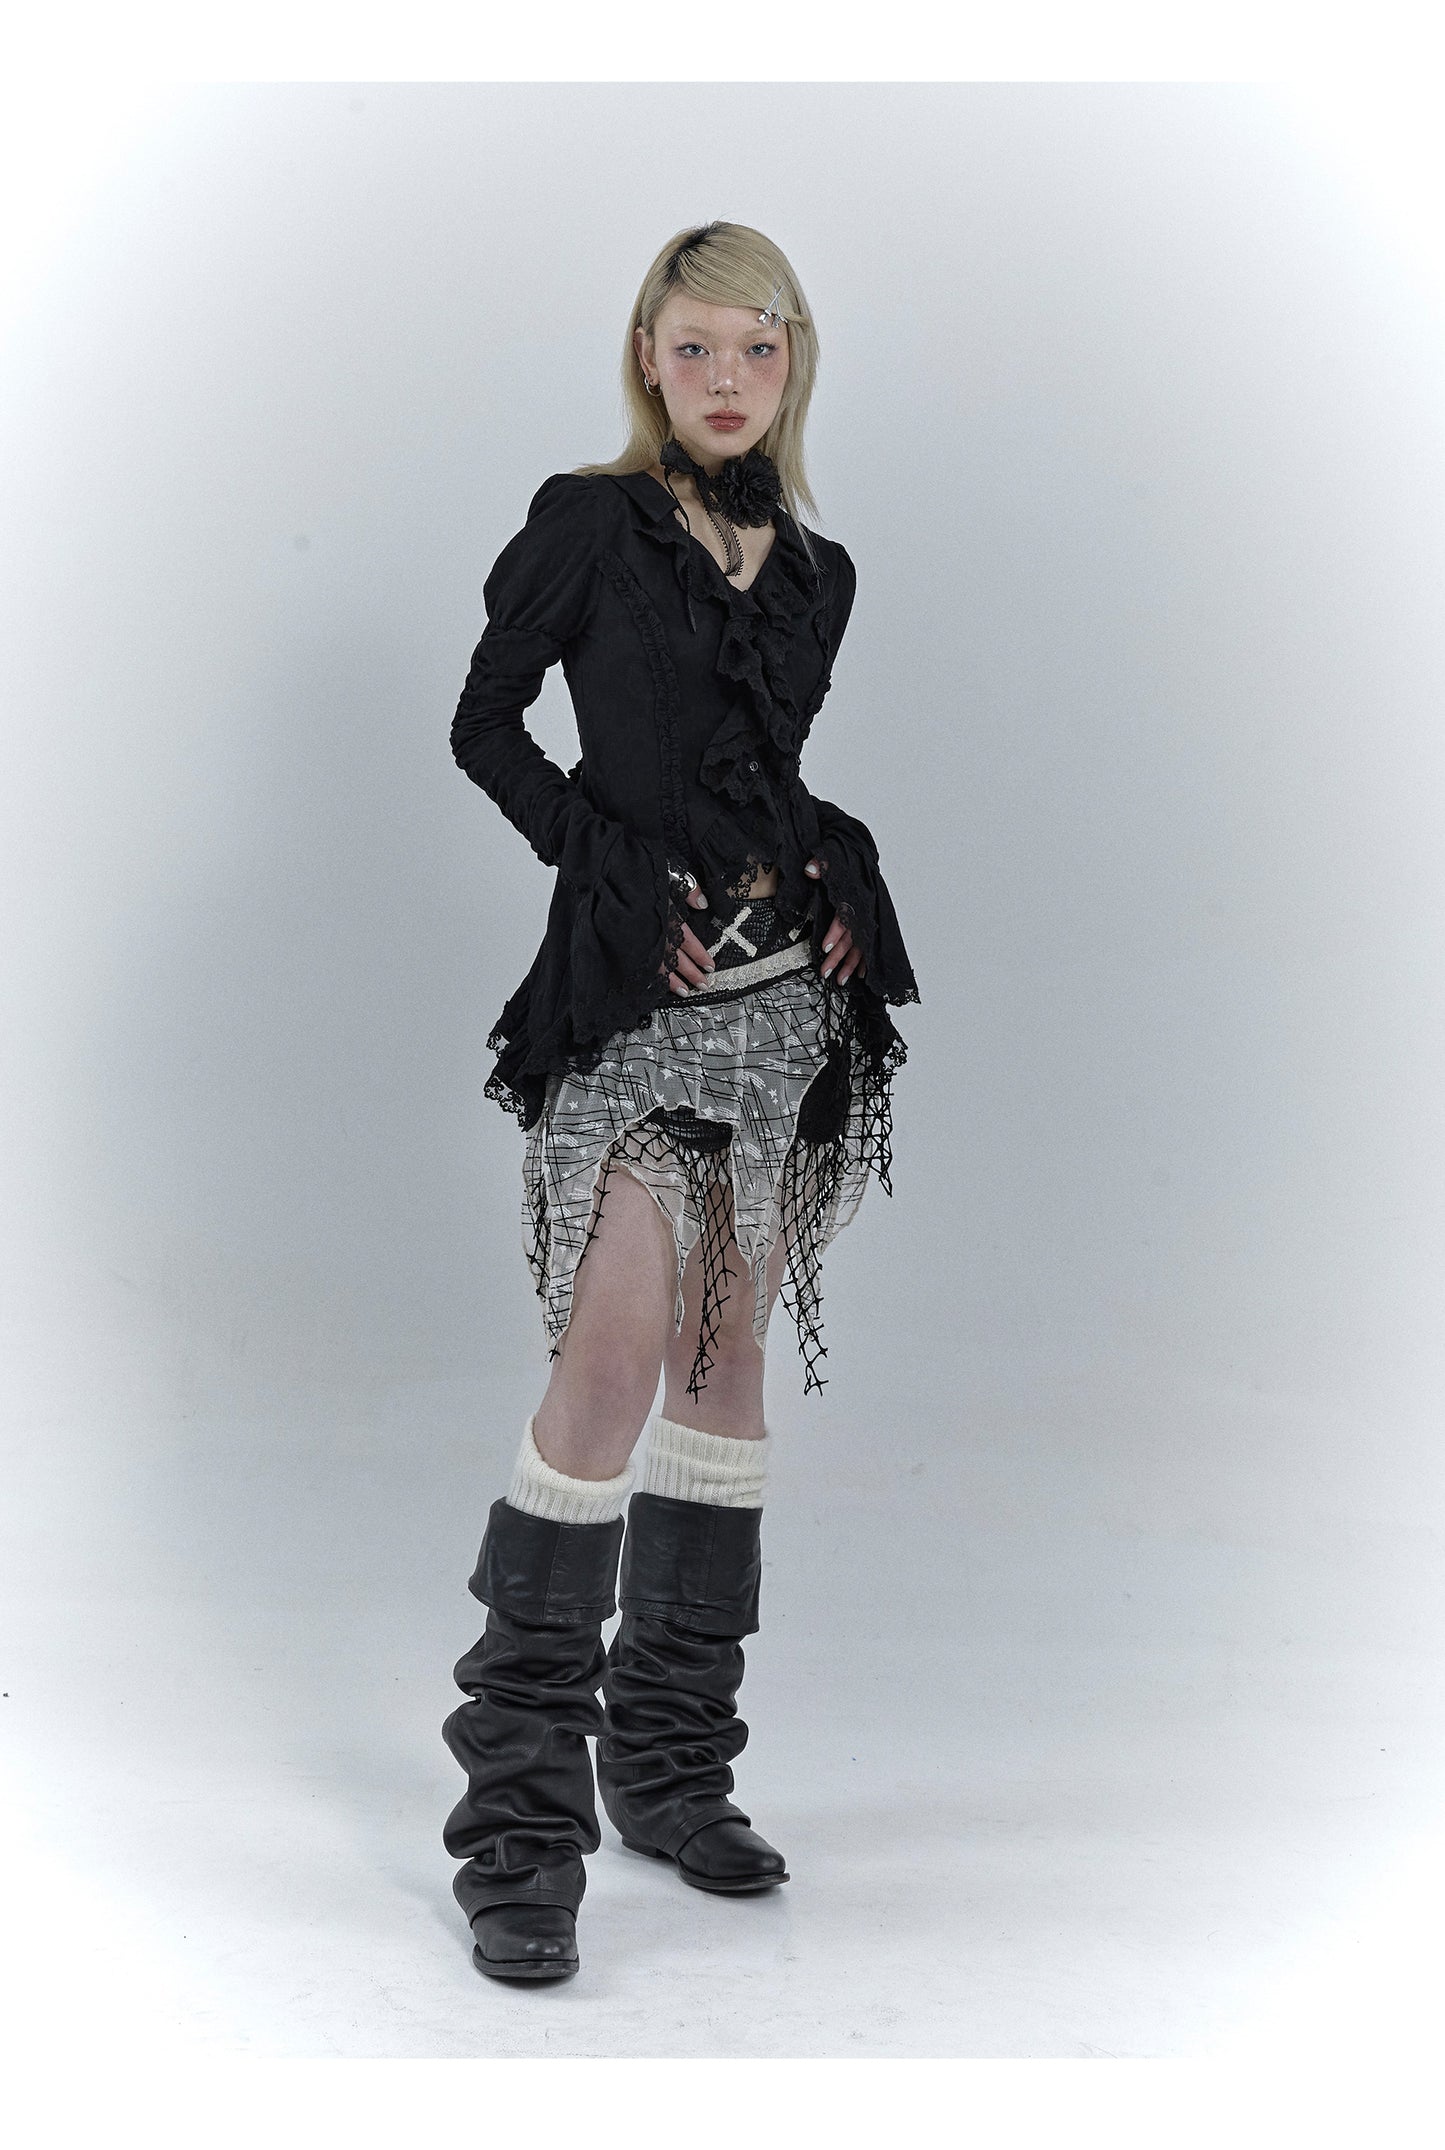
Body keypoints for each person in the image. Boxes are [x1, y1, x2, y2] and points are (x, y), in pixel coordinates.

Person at [439, 220, 920, 1983]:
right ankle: (517, 1822)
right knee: (609, 1367)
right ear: (649, 352)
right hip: (636, 1014)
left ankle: (666, 1765)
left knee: (722, 1369)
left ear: (795, 362)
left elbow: (762, 770)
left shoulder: (818, 569)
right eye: (695, 346)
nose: (726, 379)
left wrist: (828, 863)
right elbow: (486, 725)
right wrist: (606, 867)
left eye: (758, 349)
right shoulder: (589, 524)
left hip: (782, 1011)